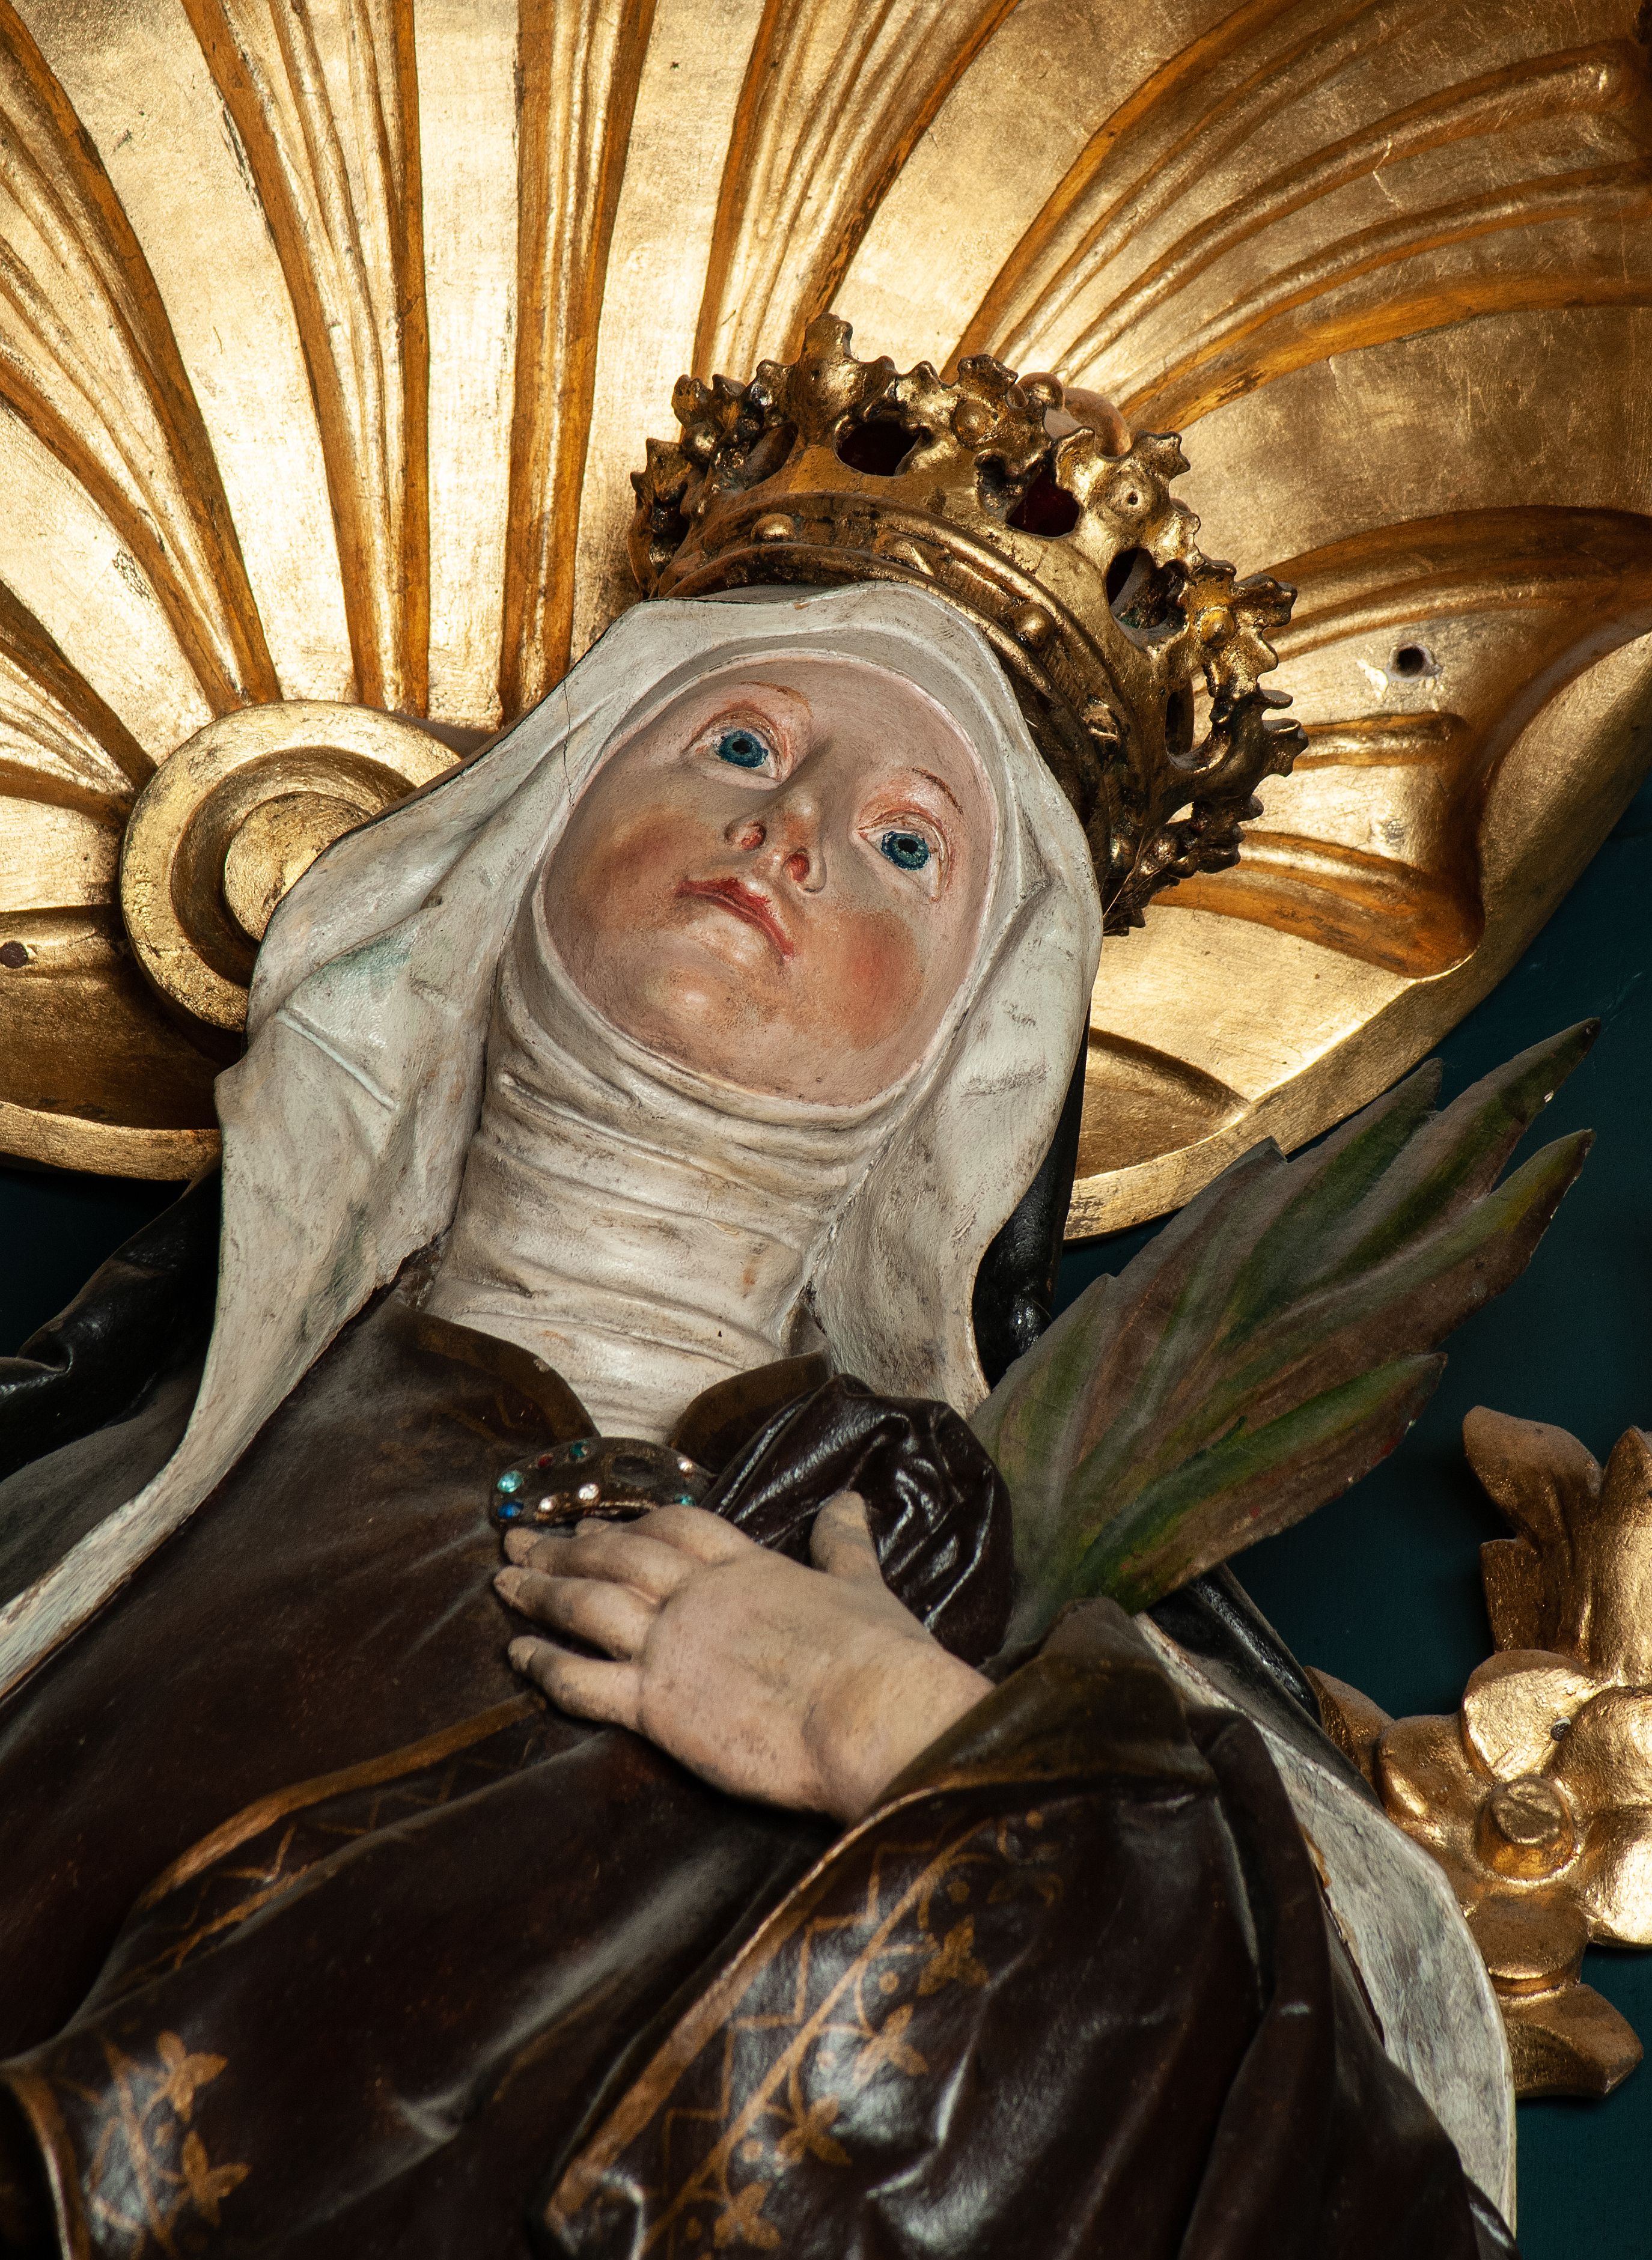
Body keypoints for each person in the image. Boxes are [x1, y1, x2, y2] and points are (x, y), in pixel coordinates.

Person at [0, 585, 1513, 2257]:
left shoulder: (943, 1593)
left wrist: (905, 1737)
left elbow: (1344, 2205)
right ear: (527, 833)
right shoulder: (75, 1538)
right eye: (739, 746)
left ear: (963, 1053)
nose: (790, 830)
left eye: (907, 846)